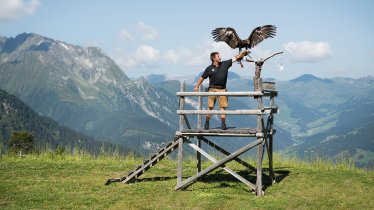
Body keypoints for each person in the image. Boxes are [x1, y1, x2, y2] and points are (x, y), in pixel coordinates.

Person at [194, 50, 249, 130]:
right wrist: (196, 86)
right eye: (218, 56)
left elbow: (235, 58)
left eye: (220, 56)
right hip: (212, 90)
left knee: (222, 107)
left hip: (222, 89)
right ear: (214, 58)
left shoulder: (225, 64)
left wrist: (242, 54)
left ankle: (223, 124)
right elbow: (202, 77)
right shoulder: (209, 68)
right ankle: (207, 123)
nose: (220, 57)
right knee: (210, 107)